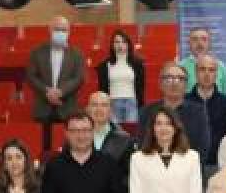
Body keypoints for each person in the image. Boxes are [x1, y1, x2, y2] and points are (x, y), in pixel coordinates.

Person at [25, 14, 86, 153]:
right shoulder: (37, 52)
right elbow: (31, 76)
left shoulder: (77, 54)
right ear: (50, 30)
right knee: (42, 150)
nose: (60, 33)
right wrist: (47, 92)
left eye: (64, 30)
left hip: (67, 109)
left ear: (69, 32)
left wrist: (60, 92)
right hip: (43, 109)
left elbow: (78, 78)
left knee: (67, 150)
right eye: (57, 29)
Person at [139, 62, 211, 169]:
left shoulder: (198, 112)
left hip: (188, 173)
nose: (175, 83)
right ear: (160, 83)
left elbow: (203, 147)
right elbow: (142, 144)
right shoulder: (147, 111)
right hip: (153, 172)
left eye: (180, 78)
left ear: (186, 84)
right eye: (169, 78)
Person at [188, 54, 226, 175]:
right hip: (190, 166)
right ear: (195, 72)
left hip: (219, 165)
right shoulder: (185, 102)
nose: (207, 74)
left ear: (217, 74)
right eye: (202, 69)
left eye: (211, 70)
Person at [95, 29, 144, 124]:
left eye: (123, 42)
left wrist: (140, 107)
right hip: (112, 103)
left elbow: (141, 89)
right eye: (117, 42)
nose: (120, 45)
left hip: (131, 103)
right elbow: (102, 89)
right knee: (115, 133)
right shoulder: (105, 65)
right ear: (112, 45)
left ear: (128, 45)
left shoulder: (137, 64)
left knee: (131, 133)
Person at [87, 90, 135, 182]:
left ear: (110, 110)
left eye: (104, 105)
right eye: (94, 105)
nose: (99, 109)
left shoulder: (125, 140)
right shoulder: (76, 135)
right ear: (88, 109)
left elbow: (130, 175)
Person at [181, 26, 226, 97]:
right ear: (189, 43)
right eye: (195, 39)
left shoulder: (220, 66)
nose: (199, 43)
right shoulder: (181, 67)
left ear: (209, 43)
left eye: (204, 39)